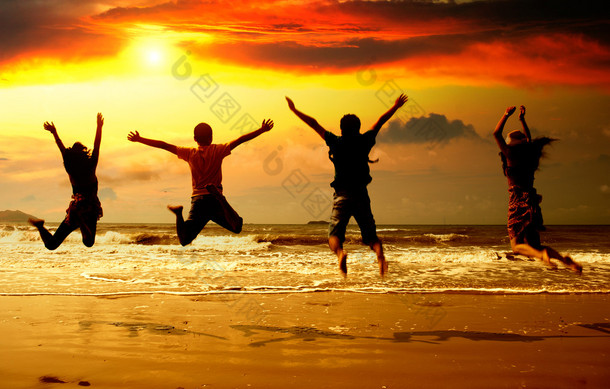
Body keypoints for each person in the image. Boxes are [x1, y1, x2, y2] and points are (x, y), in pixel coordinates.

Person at [286, 94, 408, 276]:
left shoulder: (335, 142)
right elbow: (380, 121)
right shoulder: (365, 140)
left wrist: (294, 110)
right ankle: (380, 255)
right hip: (361, 194)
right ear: (358, 128)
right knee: (371, 237)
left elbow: (314, 123)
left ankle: (341, 254)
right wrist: (396, 106)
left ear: (341, 129)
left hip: (342, 194)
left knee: (334, 236)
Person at [127, 119, 273, 245]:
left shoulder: (189, 153)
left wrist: (140, 139)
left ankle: (178, 214)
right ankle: (221, 197)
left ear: (195, 138)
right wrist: (262, 130)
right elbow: (240, 140)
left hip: (198, 202)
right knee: (237, 227)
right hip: (215, 199)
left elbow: (164, 145)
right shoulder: (218, 150)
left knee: (184, 240)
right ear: (211, 137)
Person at [494, 105, 581, 273]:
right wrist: (521, 119)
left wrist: (506, 114)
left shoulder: (510, 155)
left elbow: (496, 134)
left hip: (518, 203)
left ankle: (543, 257)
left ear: (510, 145)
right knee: (535, 245)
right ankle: (566, 261)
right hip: (532, 203)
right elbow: (528, 138)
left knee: (516, 247)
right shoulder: (530, 157)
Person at [29, 113, 104, 249]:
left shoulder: (70, 168)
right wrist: (99, 127)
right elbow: (97, 145)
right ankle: (81, 221)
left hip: (77, 207)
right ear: (84, 154)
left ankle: (40, 227)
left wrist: (54, 132)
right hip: (90, 208)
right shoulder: (91, 166)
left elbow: (61, 148)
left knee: (51, 245)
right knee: (88, 242)